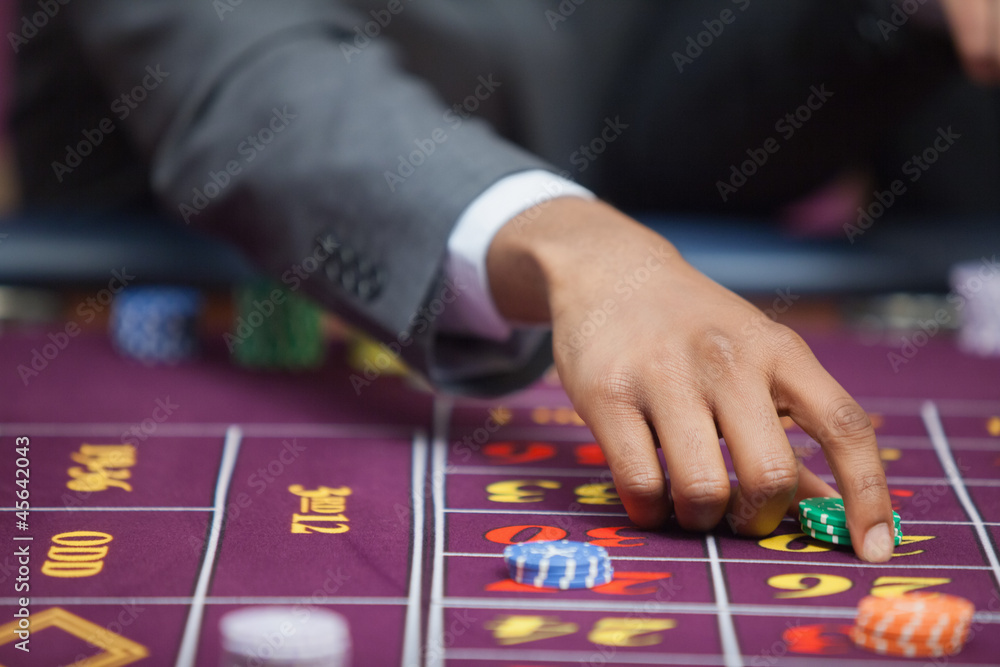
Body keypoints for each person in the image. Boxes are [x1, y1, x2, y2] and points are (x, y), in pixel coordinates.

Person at [11, 0, 1000, 563]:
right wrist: (584, 253)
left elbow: (662, 98)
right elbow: (253, 84)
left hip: (635, 263)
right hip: (177, 299)